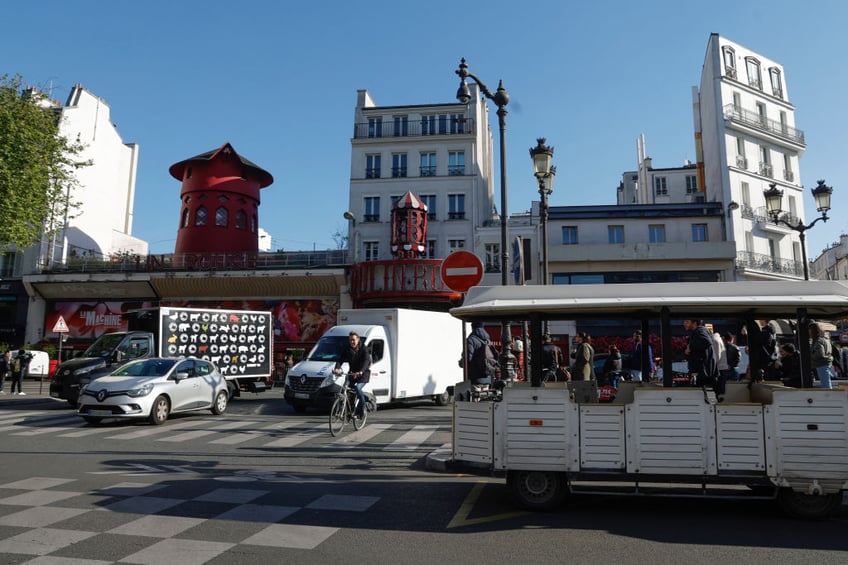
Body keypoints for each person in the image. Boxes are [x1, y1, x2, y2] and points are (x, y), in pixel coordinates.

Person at [333, 331, 371, 415]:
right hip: (352, 374)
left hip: (363, 374)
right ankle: (349, 410)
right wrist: (337, 368)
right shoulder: (347, 348)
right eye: (350, 340)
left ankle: (363, 407)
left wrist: (361, 371)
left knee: (357, 388)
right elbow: (340, 359)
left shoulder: (363, 348)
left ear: (358, 340)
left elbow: (366, 361)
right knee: (345, 389)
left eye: (353, 340)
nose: (352, 342)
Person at [683, 319, 718, 389]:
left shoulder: (700, 330)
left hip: (703, 373)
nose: (684, 324)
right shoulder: (699, 331)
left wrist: (690, 348)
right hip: (703, 372)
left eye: (687, 322)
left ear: (694, 323)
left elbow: (706, 341)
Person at [809, 322, 834, 389]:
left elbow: (820, 354)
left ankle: (829, 398)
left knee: (826, 385)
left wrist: (810, 356)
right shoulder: (825, 339)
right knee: (827, 382)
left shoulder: (818, 341)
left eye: (809, 330)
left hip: (821, 364)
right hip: (827, 363)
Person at [710, 325, 728, 394]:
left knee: (717, 392)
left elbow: (716, 357)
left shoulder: (714, 340)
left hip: (719, 370)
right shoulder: (718, 338)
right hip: (721, 369)